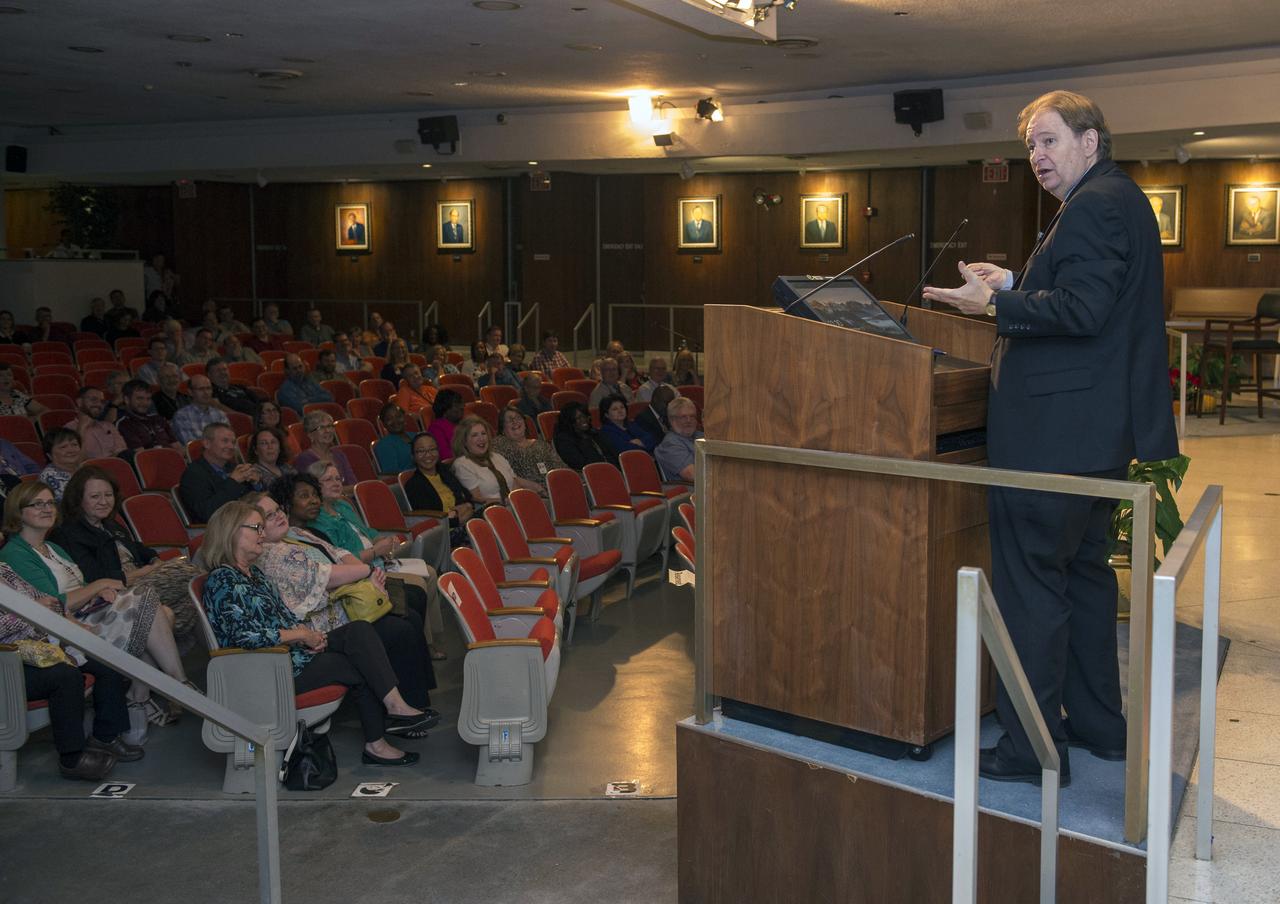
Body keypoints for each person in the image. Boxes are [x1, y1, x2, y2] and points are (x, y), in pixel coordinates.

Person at [921, 90, 1180, 786]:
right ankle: (1099, 727)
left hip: (1052, 440)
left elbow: (1085, 309)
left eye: (1049, 141)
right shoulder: (1116, 197)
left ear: (1090, 141)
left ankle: (1033, 750)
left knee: (1033, 589)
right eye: (1031, 145)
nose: (1036, 156)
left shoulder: (1093, 206)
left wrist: (996, 304)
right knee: (1086, 581)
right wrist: (1012, 280)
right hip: (1091, 437)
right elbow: (1085, 293)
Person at [201, 501, 429, 767]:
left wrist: (311, 635)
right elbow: (242, 638)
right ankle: (377, 742)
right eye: (256, 528)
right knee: (361, 662)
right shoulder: (223, 580)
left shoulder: (254, 576)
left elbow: (283, 617)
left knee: (359, 631)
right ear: (232, 532)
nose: (262, 534)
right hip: (269, 669)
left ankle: (394, 707)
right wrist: (299, 635)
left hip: (291, 655)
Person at [0, 481, 193, 728]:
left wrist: (99, 592)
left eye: (50, 503)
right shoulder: (15, 554)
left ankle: (142, 693)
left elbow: (78, 584)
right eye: (37, 504)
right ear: (18, 510)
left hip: (88, 611)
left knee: (162, 612)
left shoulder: (52, 547)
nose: (47, 508)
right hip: (66, 627)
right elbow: (55, 604)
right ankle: (177, 684)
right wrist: (99, 584)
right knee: (151, 605)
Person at [256, 479, 439, 718]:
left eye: (277, 510)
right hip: (327, 619)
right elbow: (326, 576)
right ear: (257, 528)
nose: (279, 516)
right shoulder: (272, 554)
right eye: (269, 516)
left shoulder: (295, 532)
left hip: (346, 597)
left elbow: (338, 553)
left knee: (410, 611)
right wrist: (367, 574)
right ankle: (403, 708)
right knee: (400, 628)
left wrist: (363, 579)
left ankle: (415, 700)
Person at [0, 561, 136, 781]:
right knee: (65, 676)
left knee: (105, 661)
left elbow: (47, 599)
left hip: (41, 648)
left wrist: (41, 609)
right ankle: (72, 758)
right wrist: (30, 613)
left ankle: (105, 736)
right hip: (8, 663)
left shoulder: (4, 569)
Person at [51, 465, 201, 649]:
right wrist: (145, 572)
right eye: (95, 496)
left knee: (192, 601)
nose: (104, 501)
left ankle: (161, 650)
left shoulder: (111, 525)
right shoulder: (69, 533)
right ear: (78, 499)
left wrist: (154, 560)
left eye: (108, 495)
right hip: (119, 593)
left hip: (144, 579)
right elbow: (93, 577)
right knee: (188, 572)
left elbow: (140, 549)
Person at [403, 432, 475, 547]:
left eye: (432, 449)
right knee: (482, 534)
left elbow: (467, 499)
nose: (428, 455)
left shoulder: (445, 473)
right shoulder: (414, 485)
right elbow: (431, 521)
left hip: (464, 523)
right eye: (421, 451)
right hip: (445, 535)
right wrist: (458, 519)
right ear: (413, 456)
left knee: (493, 511)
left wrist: (463, 510)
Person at [178, 423, 256, 523]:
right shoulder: (193, 475)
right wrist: (233, 482)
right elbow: (207, 513)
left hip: (242, 521)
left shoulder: (232, 466)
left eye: (233, 442)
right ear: (207, 443)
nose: (231, 446)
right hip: (218, 532)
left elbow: (250, 500)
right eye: (225, 441)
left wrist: (256, 484)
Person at [493, 405, 564, 487]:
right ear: (502, 428)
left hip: (555, 486)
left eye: (518, 418)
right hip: (526, 492)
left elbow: (560, 467)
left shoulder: (541, 445)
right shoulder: (499, 445)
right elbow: (504, 475)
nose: (515, 422)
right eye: (510, 420)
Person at [292, 411, 357, 486]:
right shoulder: (304, 459)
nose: (327, 431)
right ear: (310, 435)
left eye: (329, 426)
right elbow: (314, 490)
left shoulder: (339, 455)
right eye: (321, 428)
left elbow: (353, 485)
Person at [118, 379, 183, 453]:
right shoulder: (124, 424)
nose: (145, 403)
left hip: (174, 459)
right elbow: (140, 456)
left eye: (148, 399)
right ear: (127, 400)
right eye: (140, 398)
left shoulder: (159, 419)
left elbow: (177, 446)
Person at [66, 387, 126, 460]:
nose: (99, 404)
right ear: (79, 402)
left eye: (102, 402)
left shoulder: (108, 426)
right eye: (93, 400)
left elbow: (122, 452)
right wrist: (81, 429)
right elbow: (76, 460)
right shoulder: (68, 430)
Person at [553, 402, 616, 470]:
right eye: (579, 418)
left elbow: (613, 454)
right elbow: (578, 463)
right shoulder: (564, 440)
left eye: (585, 416)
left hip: (610, 470)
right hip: (587, 475)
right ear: (570, 420)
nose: (584, 420)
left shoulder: (594, 433)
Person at [172, 374, 230, 445]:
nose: (206, 393)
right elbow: (192, 446)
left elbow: (229, 440)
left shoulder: (220, 414)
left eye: (208, 388)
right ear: (190, 392)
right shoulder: (181, 416)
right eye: (201, 389)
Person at [655, 396, 702, 482]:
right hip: (691, 491)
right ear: (672, 420)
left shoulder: (700, 436)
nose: (689, 420)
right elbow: (692, 476)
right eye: (683, 417)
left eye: (692, 416)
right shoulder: (669, 445)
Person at [246, 426, 296, 491]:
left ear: (280, 448)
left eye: (273, 442)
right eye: (264, 443)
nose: (270, 447)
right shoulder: (252, 474)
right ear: (256, 450)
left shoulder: (287, 467)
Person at [38, 428, 83, 501]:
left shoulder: (84, 470)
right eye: (63, 447)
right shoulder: (49, 476)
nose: (71, 450)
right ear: (49, 455)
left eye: (74, 444)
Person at [373, 403, 416, 474]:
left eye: (398, 416)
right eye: (389, 419)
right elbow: (392, 473)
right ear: (384, 424)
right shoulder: (384, 445)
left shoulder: (417, 436)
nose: (395, 421)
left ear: (405, 417)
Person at [426, 390, 464, 462]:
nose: (462, 407)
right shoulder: (436, 428)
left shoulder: (464, 424)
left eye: (461, 403)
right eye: (457, 405)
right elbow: (446, 457)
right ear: (445, 409)